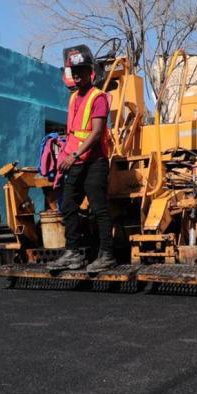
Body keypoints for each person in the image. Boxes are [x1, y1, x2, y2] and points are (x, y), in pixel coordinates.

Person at [46, 45, 116, 273]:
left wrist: (74, 154)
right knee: (67, 205)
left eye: (81, 71)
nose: (76, 75)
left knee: (99, 209)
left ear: (91, 72)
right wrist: (65, 154)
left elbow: (96, 133)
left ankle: (107, 255)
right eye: (73, 72)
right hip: (75, 162)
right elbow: (74, 133)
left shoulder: (99, 97)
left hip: (94, 162)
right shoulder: (73, 97)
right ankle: (73, 253)